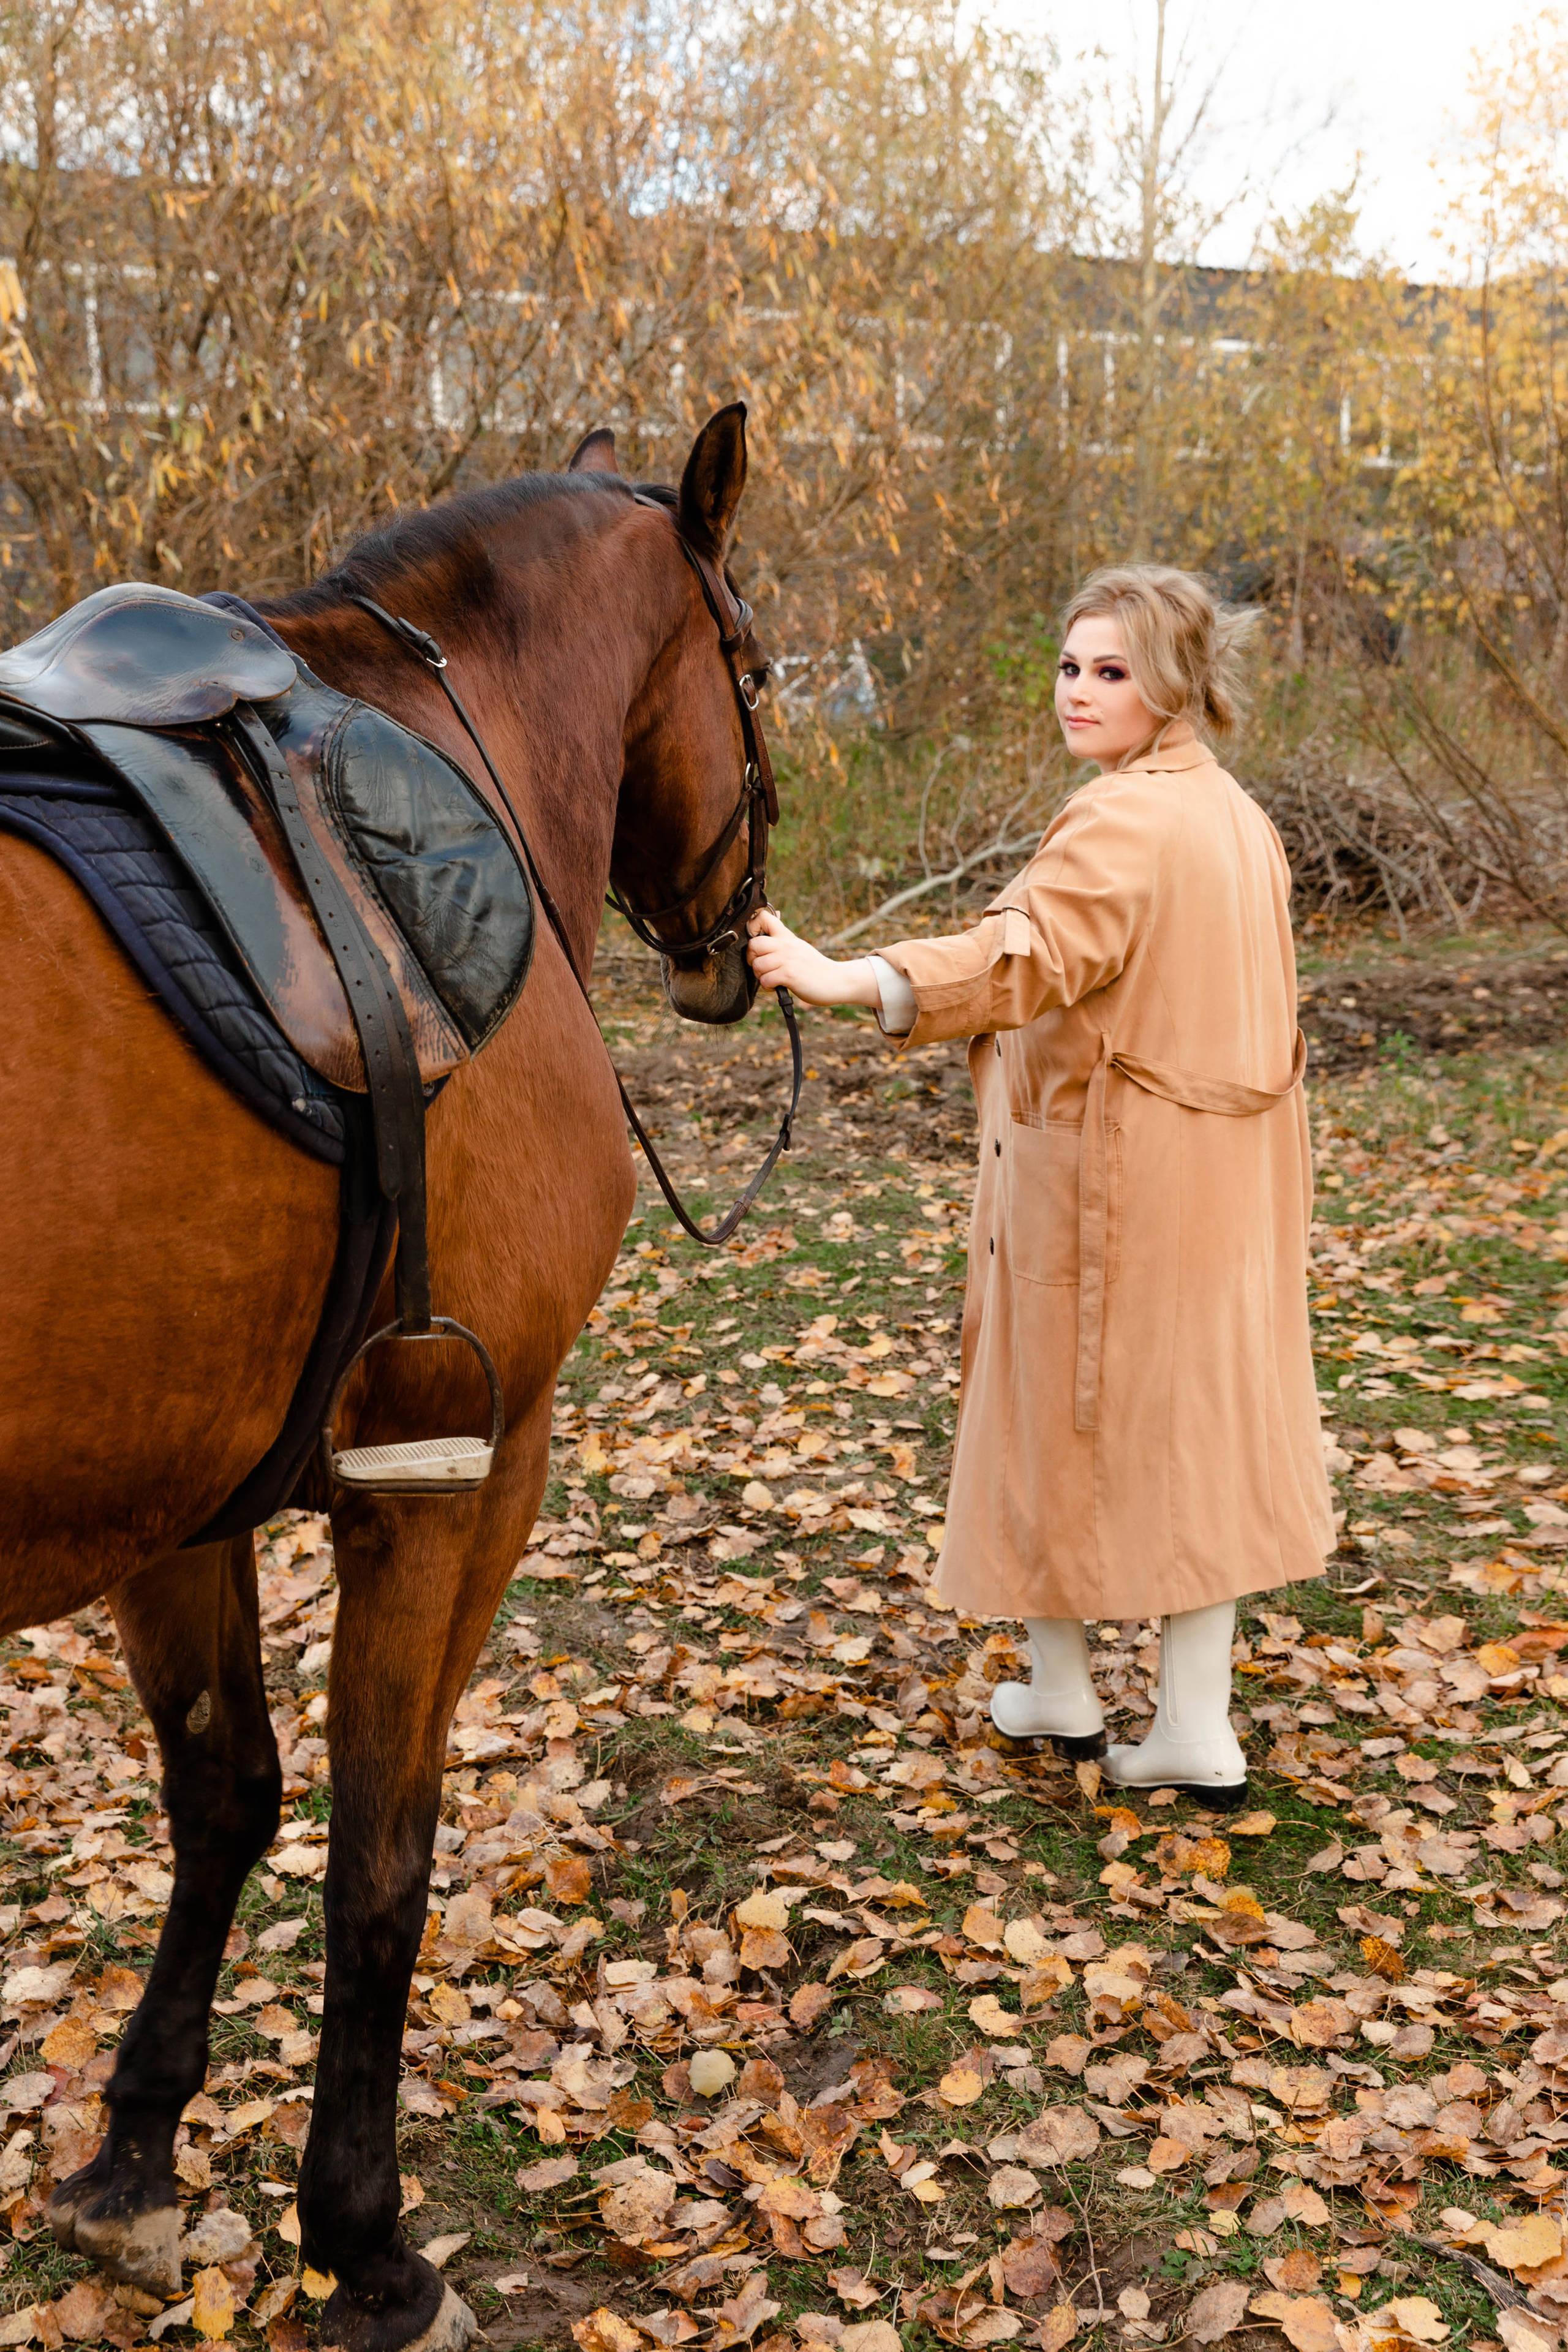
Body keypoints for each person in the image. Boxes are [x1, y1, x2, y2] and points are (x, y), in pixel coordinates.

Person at [747, 565, 1333, 1807]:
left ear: (1176, 682)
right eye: (1069, 666)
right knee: (1194, 1436)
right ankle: (1151, 1713)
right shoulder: (1235, 816)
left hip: (1110, 1183)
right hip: (1218, 1191)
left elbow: (1024, 954)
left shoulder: (1127, 820)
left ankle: (1108, 1705)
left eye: (1111, 670)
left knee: (1052, 1419)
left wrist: (852, 974)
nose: (1077, 691)